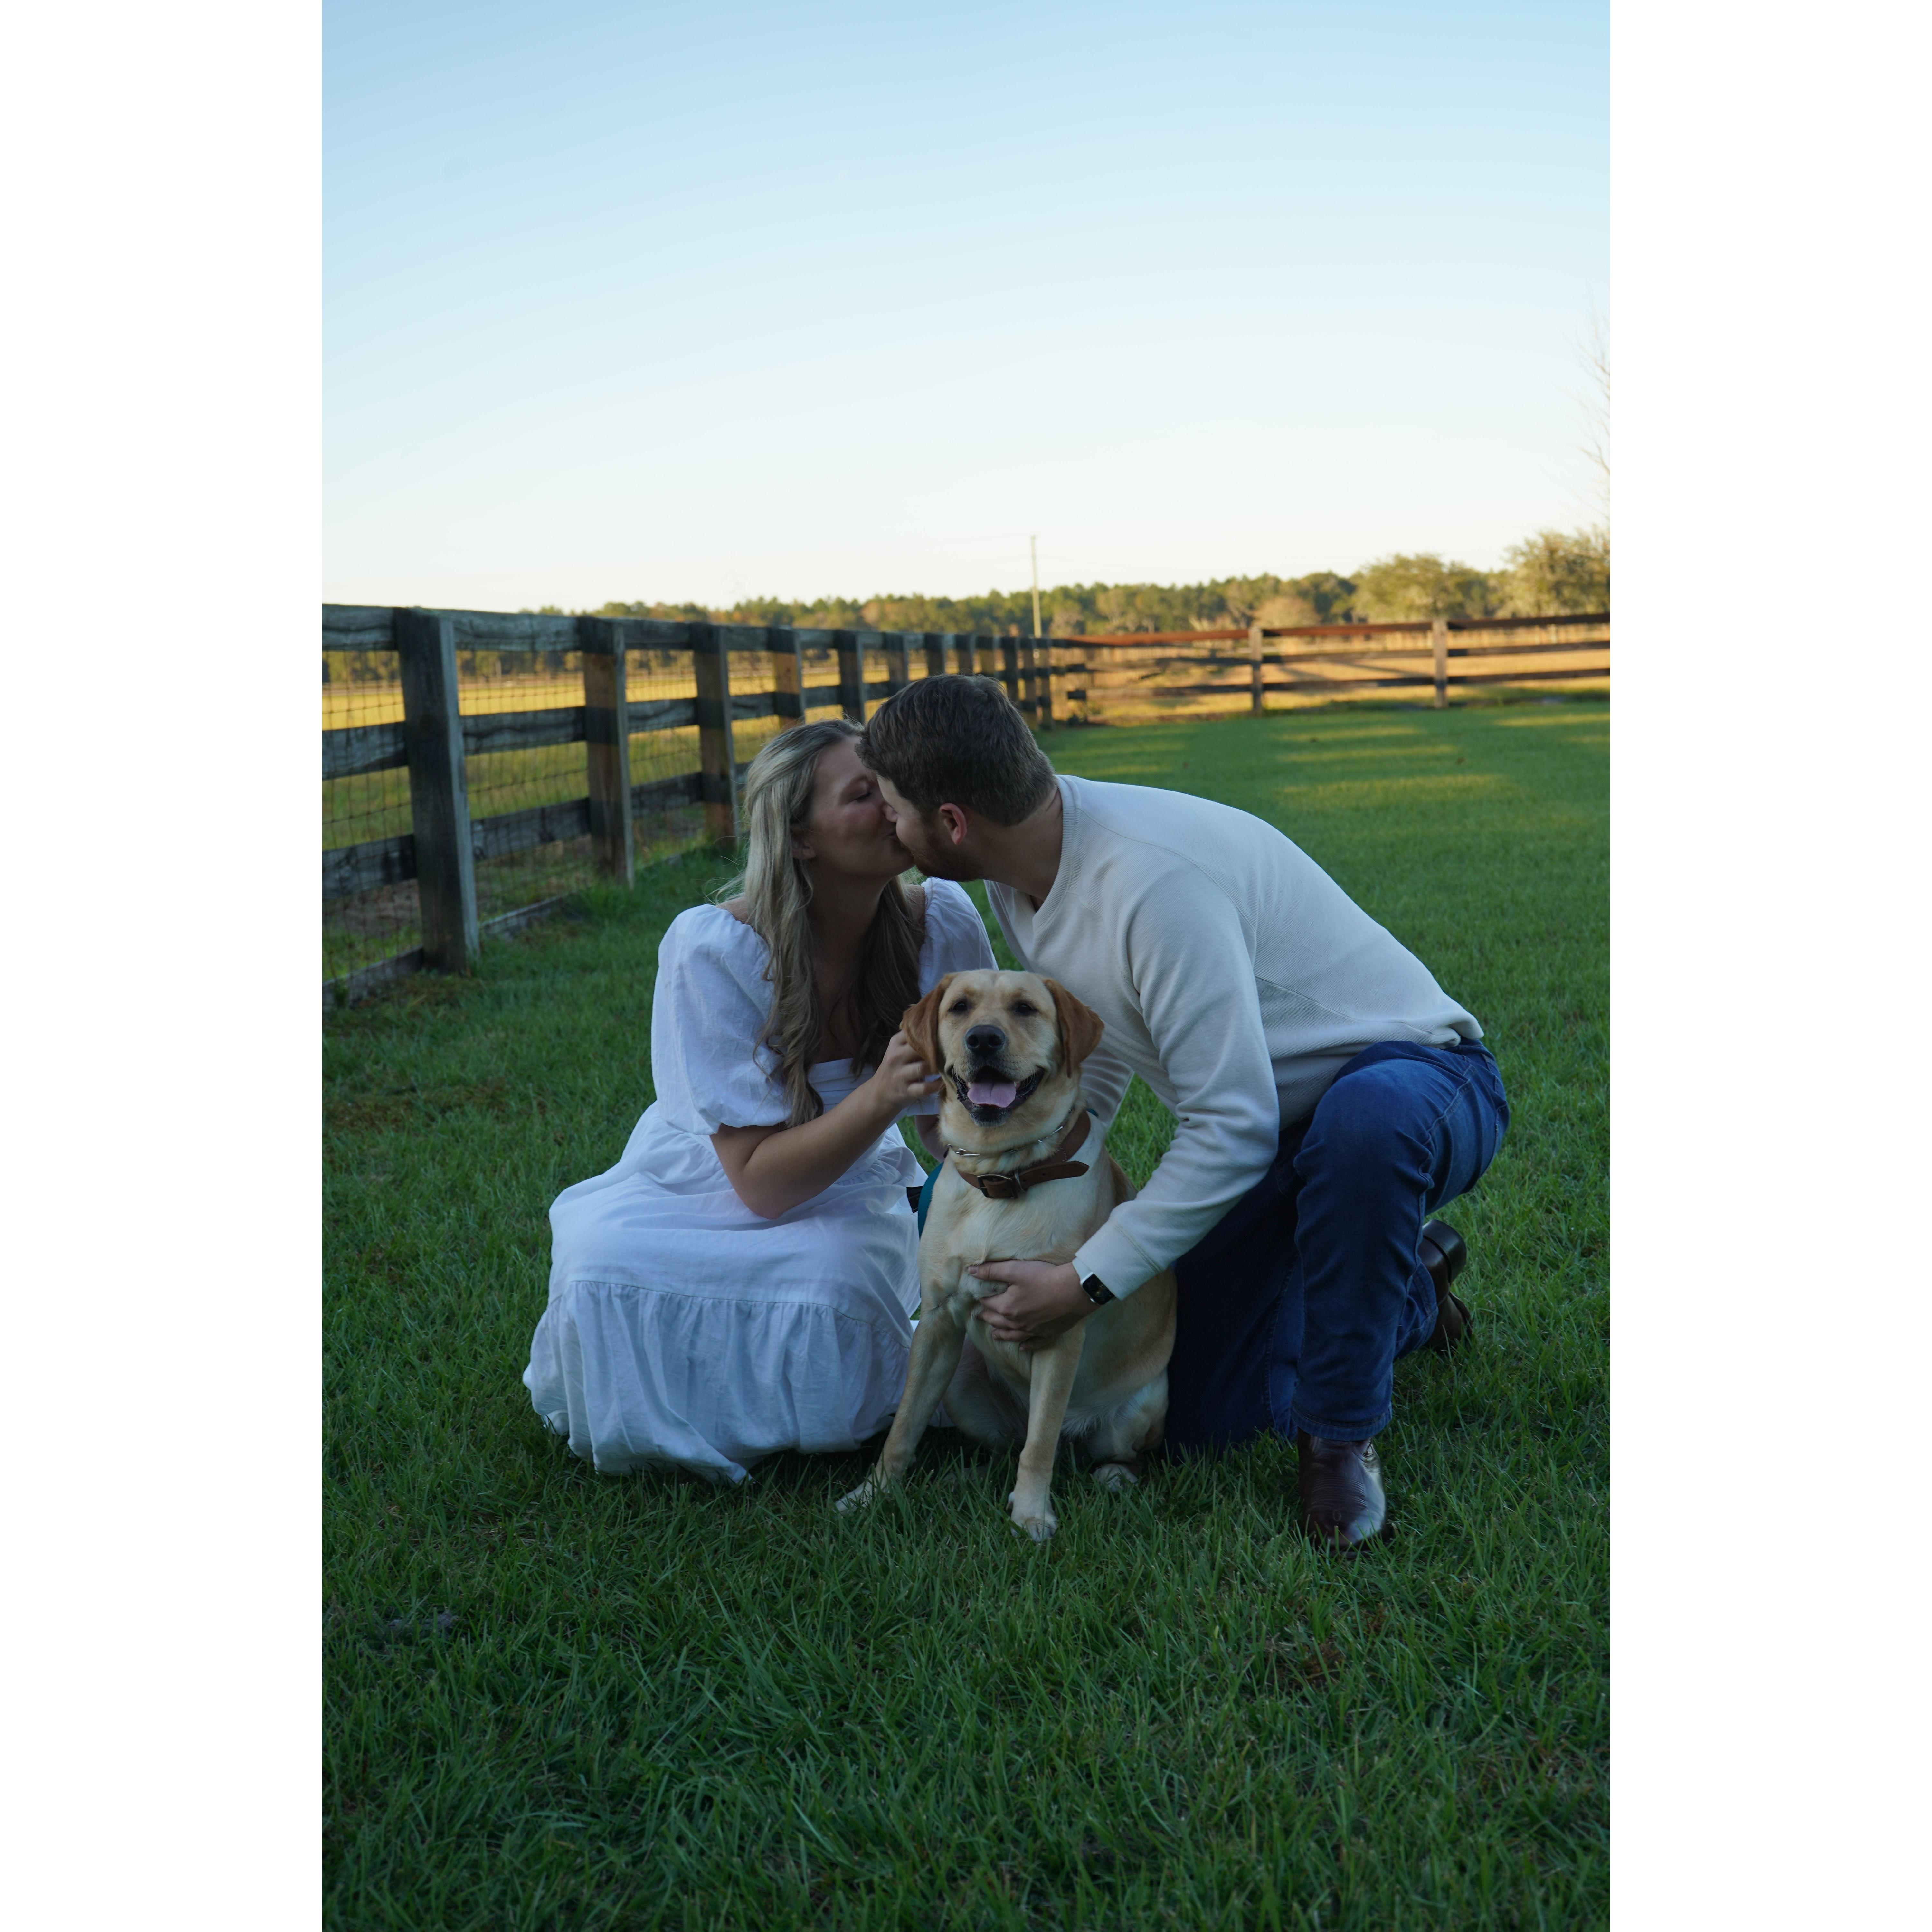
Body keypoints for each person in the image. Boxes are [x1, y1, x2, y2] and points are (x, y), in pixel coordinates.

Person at [857, 676, 1509, 1548]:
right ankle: (1412, 1285)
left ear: (952, 822)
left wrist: (1085, 1279)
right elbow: (1089, 1051)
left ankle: (1341, 1435)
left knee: (1364, 1128)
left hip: (1415, 1084)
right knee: (1203, 1416)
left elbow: (1230, 1125)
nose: (888, 826)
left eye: (894, 809)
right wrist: (1033, 1176)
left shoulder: (1153, 884)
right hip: (1281, 1137)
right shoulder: (1022, 873)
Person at [523, 718, 997, 1482]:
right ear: (801, 838)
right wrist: (880, 1096)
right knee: (599, 1263)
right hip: (708, 1177)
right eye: (862, 795)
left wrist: (1000, 1200)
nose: (893, 807)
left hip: (848, 1180)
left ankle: (835, 1407)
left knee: (836, 1275)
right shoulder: (712, 950)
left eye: (892, 788)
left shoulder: (939, 922)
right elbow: (759, 1185)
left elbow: (954, 1123)